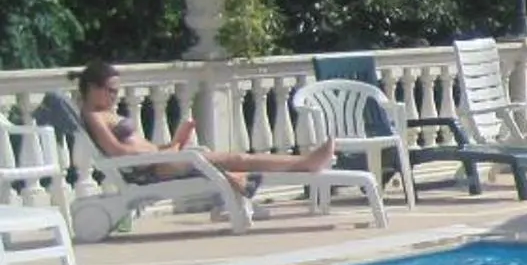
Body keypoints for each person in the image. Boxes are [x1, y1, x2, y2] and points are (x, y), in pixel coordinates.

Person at [75, 60, 337, 179]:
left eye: (116, 90)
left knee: (232, 161)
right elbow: (118, 151)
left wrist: (171, 145)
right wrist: (160, 153)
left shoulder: (105, 113)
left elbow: (133, 147)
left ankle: (301, 164)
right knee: (237, 160)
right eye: (110, 90)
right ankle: (304, 163)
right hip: (153, 166)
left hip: (160, 159)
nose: (114, 95)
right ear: (93, 88)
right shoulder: (94, 116)